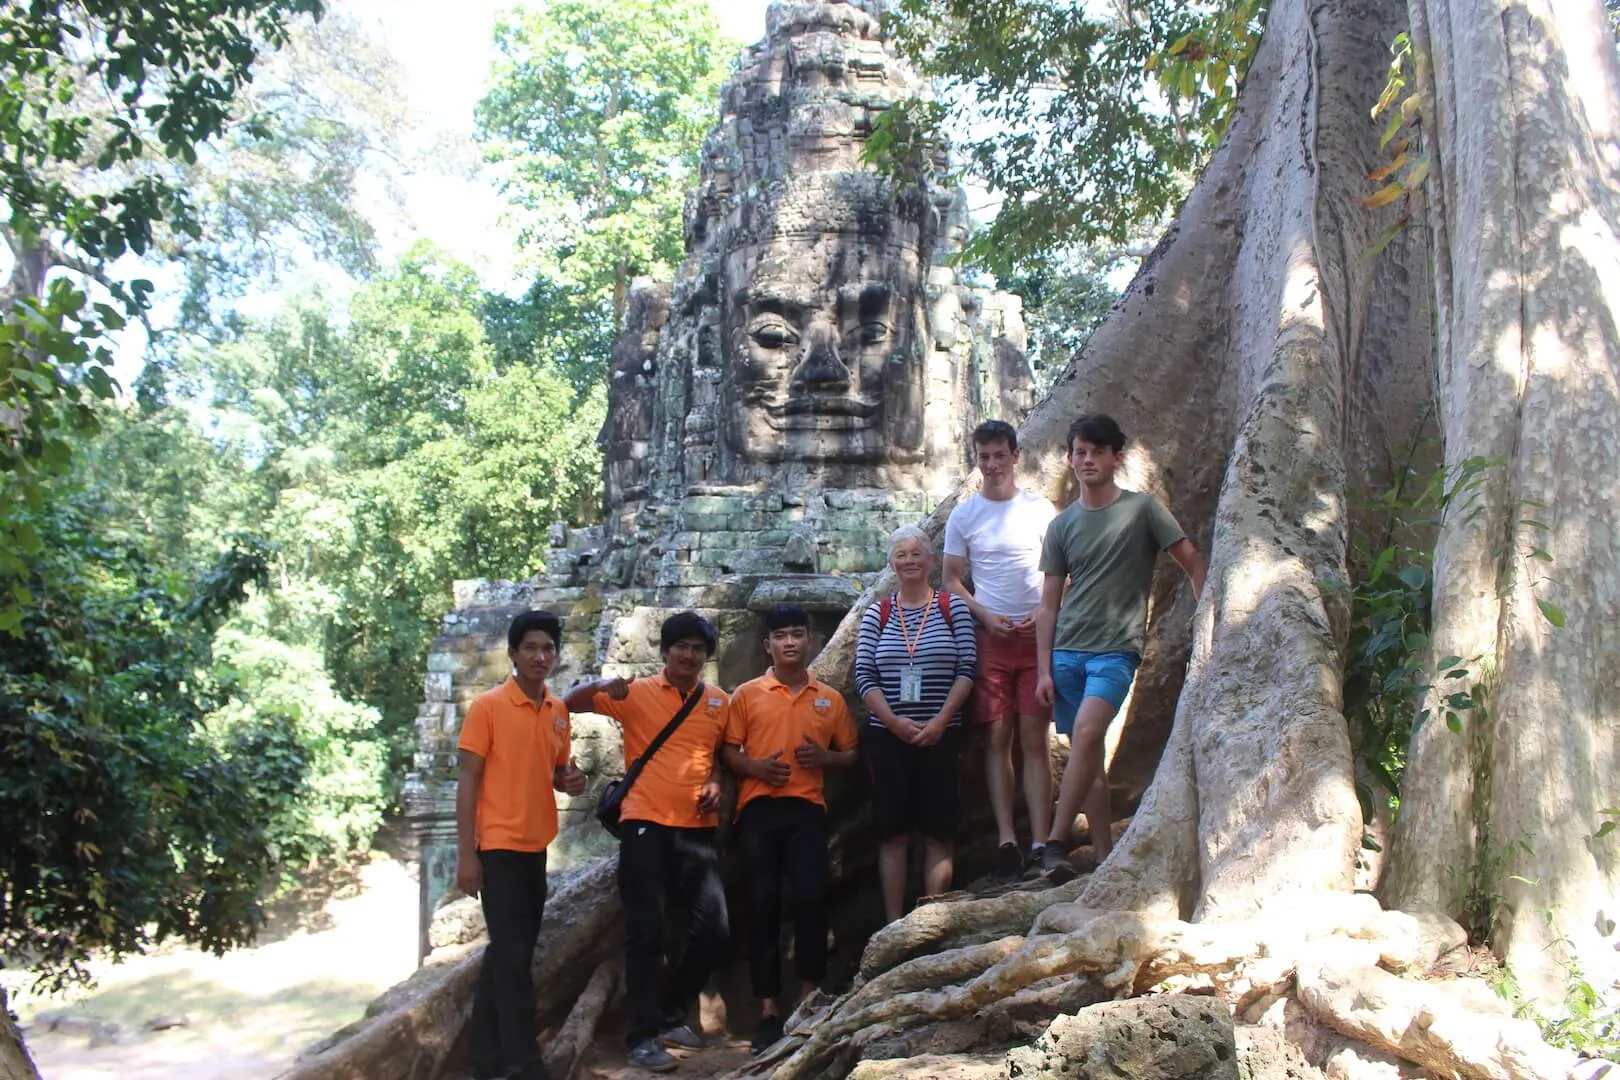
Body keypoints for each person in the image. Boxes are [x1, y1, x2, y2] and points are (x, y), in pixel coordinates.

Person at [1035, 414, 1205, 878]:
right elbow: (1048, 606)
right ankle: (1106, 857)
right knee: (1087, 757)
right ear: (1070, 459)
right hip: (1067, 652)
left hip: (1115, 650)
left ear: (1116, 457)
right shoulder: (1062, 525)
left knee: (1089, 736)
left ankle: (1054, 842)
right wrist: (1043, 669)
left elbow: (1192, 562)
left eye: (1097, 451)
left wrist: (1208, 619)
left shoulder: (1143, 509)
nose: (1087, 460)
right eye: (1079, 452)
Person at [563, 612, 731, 1074]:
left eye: (698, 648)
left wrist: (715, 780)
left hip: (697, 828)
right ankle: (640, 1038)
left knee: (714, 927)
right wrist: (601, 684)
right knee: (645, 932)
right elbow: (569, 703)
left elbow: (718, 757)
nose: (689, 654)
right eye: (682, 646)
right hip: (644, 824)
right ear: (665, 651)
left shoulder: (718, 702)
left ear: (706, 656)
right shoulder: (635, 694)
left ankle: (671, 1012)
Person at [942, 419, 1078, 879]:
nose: (993, 465)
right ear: (976, 460)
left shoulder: (1040, 510)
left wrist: (1044, 612)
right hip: (990, 639)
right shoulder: (965, 516)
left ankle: (1041, 839)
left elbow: (1062, 572)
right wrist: (984, 615)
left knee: (1034, 739)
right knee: (996, 739)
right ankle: (1006, 838)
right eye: (984, 457)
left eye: (1000, 455)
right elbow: (951, 580)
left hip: (1037, 640)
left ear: (1016, 456)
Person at [456, 610, 589, 1080]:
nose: (539, 655)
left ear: (556, 654)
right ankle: (523, 1062)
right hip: (496, 848)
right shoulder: (487, 708)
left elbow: (555, 770)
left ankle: (484, 1059)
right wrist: (466, 856)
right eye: (530, 647)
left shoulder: (556, 712)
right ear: (512, 654)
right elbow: (468, 784)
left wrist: (569, 779)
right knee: (513, 959)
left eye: (548, 648)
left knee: (508, 954)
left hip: (535, 848)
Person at [721, 604, 859, 1054]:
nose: (790, 642)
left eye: (797, 634)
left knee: (810, 900)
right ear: (767, 645)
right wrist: (756, 768)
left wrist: (827, 759)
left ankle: (809, 997)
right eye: (780, 635)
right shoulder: (746, 694)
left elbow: (851, 754)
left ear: (812, 641)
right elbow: (729, 753)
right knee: (763, 906)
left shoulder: (829, 698)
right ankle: (766, 1009)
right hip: (758, 811)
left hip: (806, 811)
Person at [854, 525, 977, 923]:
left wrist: (941, 720)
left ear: (929, 560)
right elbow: (864, 676)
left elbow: (968, 667)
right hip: (888, 738)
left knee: (939, 830)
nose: (908, 561)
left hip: (941, 735)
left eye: (915, 554)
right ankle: (893, 925)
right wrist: (892, 722)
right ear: (892, 564)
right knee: (892, 831)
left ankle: (931, 921)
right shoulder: (879, 612)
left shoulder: (951, 607)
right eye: (901, 555)